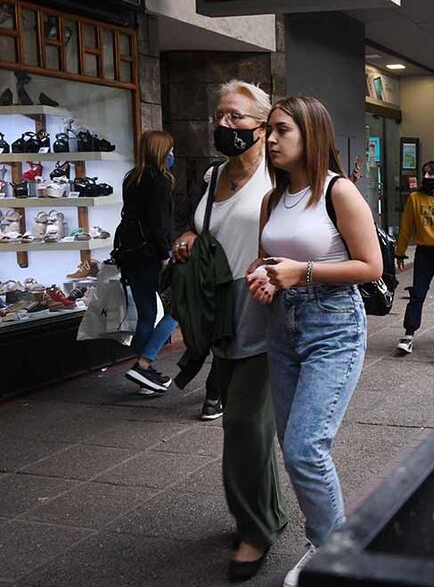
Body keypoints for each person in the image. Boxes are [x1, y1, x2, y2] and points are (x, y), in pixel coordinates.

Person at [247, 95, 382, 587]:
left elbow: (371, 266)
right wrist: (261, 275)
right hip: (281, 327)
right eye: (270, 130)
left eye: (283, 130)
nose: (272, 139)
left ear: (311, 134)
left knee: (305, 448)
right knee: (293, 447)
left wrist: (299, 273)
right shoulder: (271, 198)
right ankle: (323, 541)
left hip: (334, 326)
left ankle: (334, 554)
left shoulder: (338, 192)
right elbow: (268, 259)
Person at [171, 80, 287, 581]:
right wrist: (190, 235)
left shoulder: (281, 175)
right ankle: (268, 514)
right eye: (220, 115)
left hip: (267, 309)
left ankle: (254, 532)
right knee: (250, 425)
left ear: (263, 126)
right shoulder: (215, 174)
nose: (225, 124)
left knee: (243, 424)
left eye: (238, 117)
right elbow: (209, 226)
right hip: (222, 310)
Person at [116, 130, 179, 395]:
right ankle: (144, 363)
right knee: (179, 307)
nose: (173, 154)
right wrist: (166, 254)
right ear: (162, 151)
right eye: (170, 149)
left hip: (129, 252)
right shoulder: (161, 180)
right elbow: (159, 221)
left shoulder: (131, 178)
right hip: (152, 253)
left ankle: (144, 375)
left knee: (146, 314)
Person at [393, 161, 434, 355]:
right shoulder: (415, 198)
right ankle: (409, 334)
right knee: (417, 293)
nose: (427, 177)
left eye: (432, 174)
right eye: (425, 173)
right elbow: (406, 227)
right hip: (424, 253)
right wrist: (400, 251)